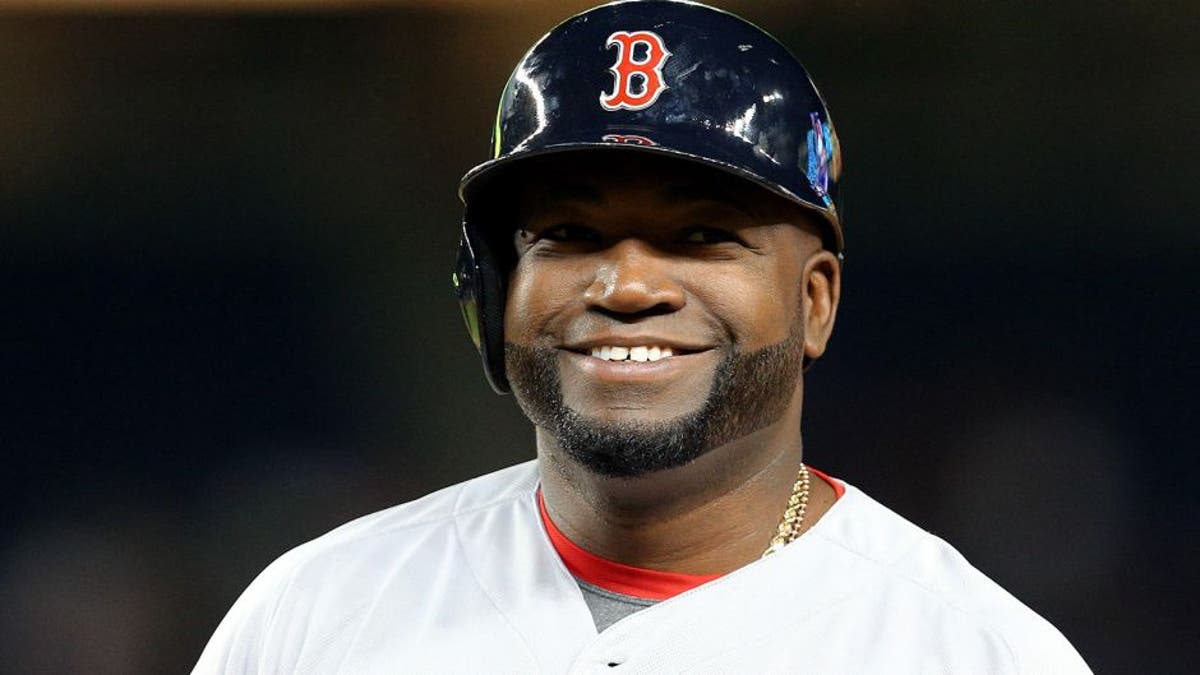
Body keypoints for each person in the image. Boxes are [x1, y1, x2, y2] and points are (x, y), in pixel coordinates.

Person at [195, 1, 1091, 672]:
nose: (626, 284)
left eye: (701, 236)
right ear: (496, 290)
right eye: (571, 236)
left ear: (815, 301)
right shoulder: (313, 614)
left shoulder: (972, 651)